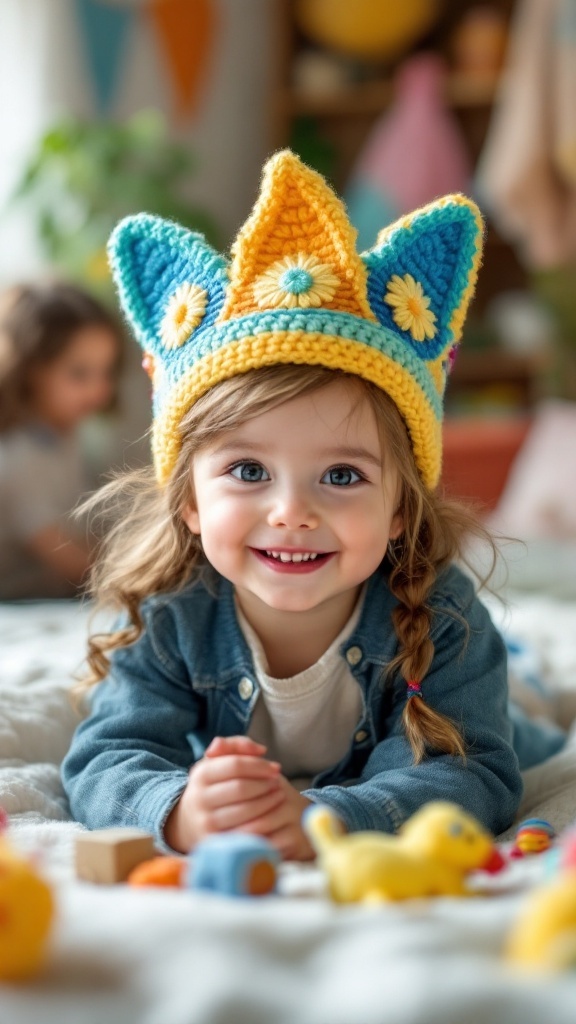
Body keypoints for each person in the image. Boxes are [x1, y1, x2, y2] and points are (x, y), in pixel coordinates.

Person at [61, 151, 565, 861]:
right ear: (189, 501)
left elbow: (473, 773)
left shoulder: (441, 616)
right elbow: (105, 758)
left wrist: (322, 818)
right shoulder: (167, 615)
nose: (291, 512)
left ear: (400, 507)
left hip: (492, 707)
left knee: (517, 712)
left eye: (342, 475)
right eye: (247, 471)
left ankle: (527, 677)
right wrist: (177, 813)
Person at [0, 281, 122, 599]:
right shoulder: (16, 457)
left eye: (106, 372)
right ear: (30, 370)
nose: (100, 390)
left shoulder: (65, 435)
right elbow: (72, 562)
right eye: (80, 374)